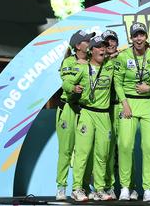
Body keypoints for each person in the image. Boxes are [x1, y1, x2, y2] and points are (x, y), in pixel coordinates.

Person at [114, 22, 150, 201]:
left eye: (141, 35)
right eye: (135, 35)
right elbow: (117, 82)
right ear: (131, 37)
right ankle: (125, 187)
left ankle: (148, 189)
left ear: (146, 36)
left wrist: (149, 87)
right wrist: (125, 103)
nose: (138, 38)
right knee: (125, 145)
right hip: (129, 103)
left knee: (149, 147)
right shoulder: (123, 56)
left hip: (149, 103)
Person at [71, 35, 116, 201]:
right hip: (88, 112)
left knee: (102, 154)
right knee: (83, 153)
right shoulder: (83, 68)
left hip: (104, 114)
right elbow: (67, 83)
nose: (102, 49)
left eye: (104, 46)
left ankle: (99, 188)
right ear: (92, 50)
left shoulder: (109, 66)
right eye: (99, 46)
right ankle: (76, 188)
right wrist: (73, 87)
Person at [56, 30, 95, 201]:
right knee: (65, 150)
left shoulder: (93, 62)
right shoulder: (68, 61)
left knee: (84, 152)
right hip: (68, 109)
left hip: (85, 110)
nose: (90, 43)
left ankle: (81, 187)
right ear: (78, 46)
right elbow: (66, 82)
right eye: (87, 41)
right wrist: (73, 88)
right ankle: (61, 187)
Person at [102, 29, 121, 200]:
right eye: (106, 41)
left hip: (120, 107)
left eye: (113, 40)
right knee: (106, 150)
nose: (110, 44)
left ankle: (125, 186)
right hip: (104, 109)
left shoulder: (123, 58)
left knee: (123, 149)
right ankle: (106, 186)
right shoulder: (98, 61)